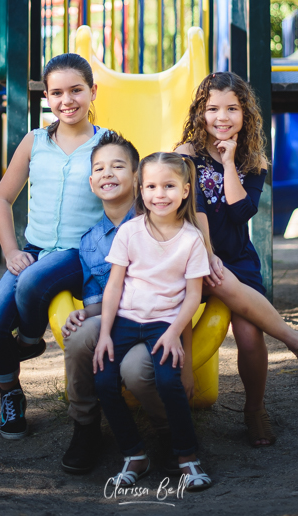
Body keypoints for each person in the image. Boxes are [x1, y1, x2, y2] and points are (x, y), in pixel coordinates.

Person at [176, 72, 298, 449]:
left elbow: (241, 212)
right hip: (196, 253)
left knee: (249, 335)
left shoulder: (253, 160)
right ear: (200, 113)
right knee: (214, 276)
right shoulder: (186, 155)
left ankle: (254, 409)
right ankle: (296, 342)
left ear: (245, 113)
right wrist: (206, 254)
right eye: (212, 108)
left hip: (238, 256)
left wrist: (230, 162)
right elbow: (188, 211)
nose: (222, 117)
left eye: (232, 108)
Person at [0, 53, 107, 440]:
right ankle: (10, 393)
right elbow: (0, 199)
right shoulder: (35, 141)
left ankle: (28, 341)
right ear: (46, 96)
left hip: (83, 252)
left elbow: (126, 201)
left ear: (92, 91)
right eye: (58, 92)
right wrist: (12, 251)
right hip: (36, 247)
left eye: (76, 90)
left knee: (32, 283)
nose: (68, 100)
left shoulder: (108, 142)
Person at [60, 131, 193, 476]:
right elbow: (98, 295)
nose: (108, 173)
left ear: (137, 179)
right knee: (77, 337)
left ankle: (167, 431)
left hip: (154, 321)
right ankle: (85, 425)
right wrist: (83, 312)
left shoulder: (161, 219)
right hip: (113, 319)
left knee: (135, 370)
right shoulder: (90, 242)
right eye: (100, 168)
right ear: (91, 182)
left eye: (117, 166)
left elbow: (183, 289)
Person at [93, 152, 213, 493]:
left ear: (186, 191)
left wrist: (175, 332)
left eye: (169, 186)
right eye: (151, 186)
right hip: (125, 321)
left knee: (168, 382)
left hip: (164, 323)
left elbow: (193, 295)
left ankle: (187, 458)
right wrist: (104, 333)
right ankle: (134, 455)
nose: (160, 194)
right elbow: (114, 284)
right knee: (103, 382)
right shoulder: (130, 232)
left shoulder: (191, 239)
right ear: (140, 190)